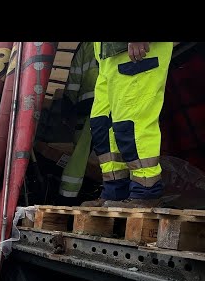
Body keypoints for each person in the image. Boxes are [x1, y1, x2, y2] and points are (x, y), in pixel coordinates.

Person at [81, 42, 174, 208]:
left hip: (137, 53)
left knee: (132, 124)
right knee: (102, 125)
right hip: (109, 57)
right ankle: (115, 190)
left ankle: (147, 190)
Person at [58, 42, 99, 201]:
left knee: (79, 155)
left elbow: (74, 79)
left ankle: (66, 197)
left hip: (87, 107)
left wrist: (68, 108)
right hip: (102, 107)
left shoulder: (85, 46)